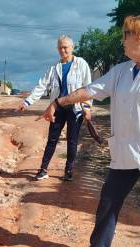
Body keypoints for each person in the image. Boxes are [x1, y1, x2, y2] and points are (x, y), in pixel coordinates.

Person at [42, 14, 140, 247]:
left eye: (126, 35)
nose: (122, 41)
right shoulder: (121, 71)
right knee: (108, 201)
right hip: (124, 150)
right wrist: (59, 102)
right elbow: (90, 90)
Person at [18, 36, 92, 181]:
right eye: (60, 47)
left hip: (75, 108)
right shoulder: (54, 68)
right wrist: (27, 102)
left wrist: (87, 107)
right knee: (52, 139)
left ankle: (69, 171)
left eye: (65, 47)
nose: (63, 50)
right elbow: (41, 86)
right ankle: (43, 169)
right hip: (57, 108)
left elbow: (87, 86)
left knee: (72, 140)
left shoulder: (81, 64)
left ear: (72, 47)